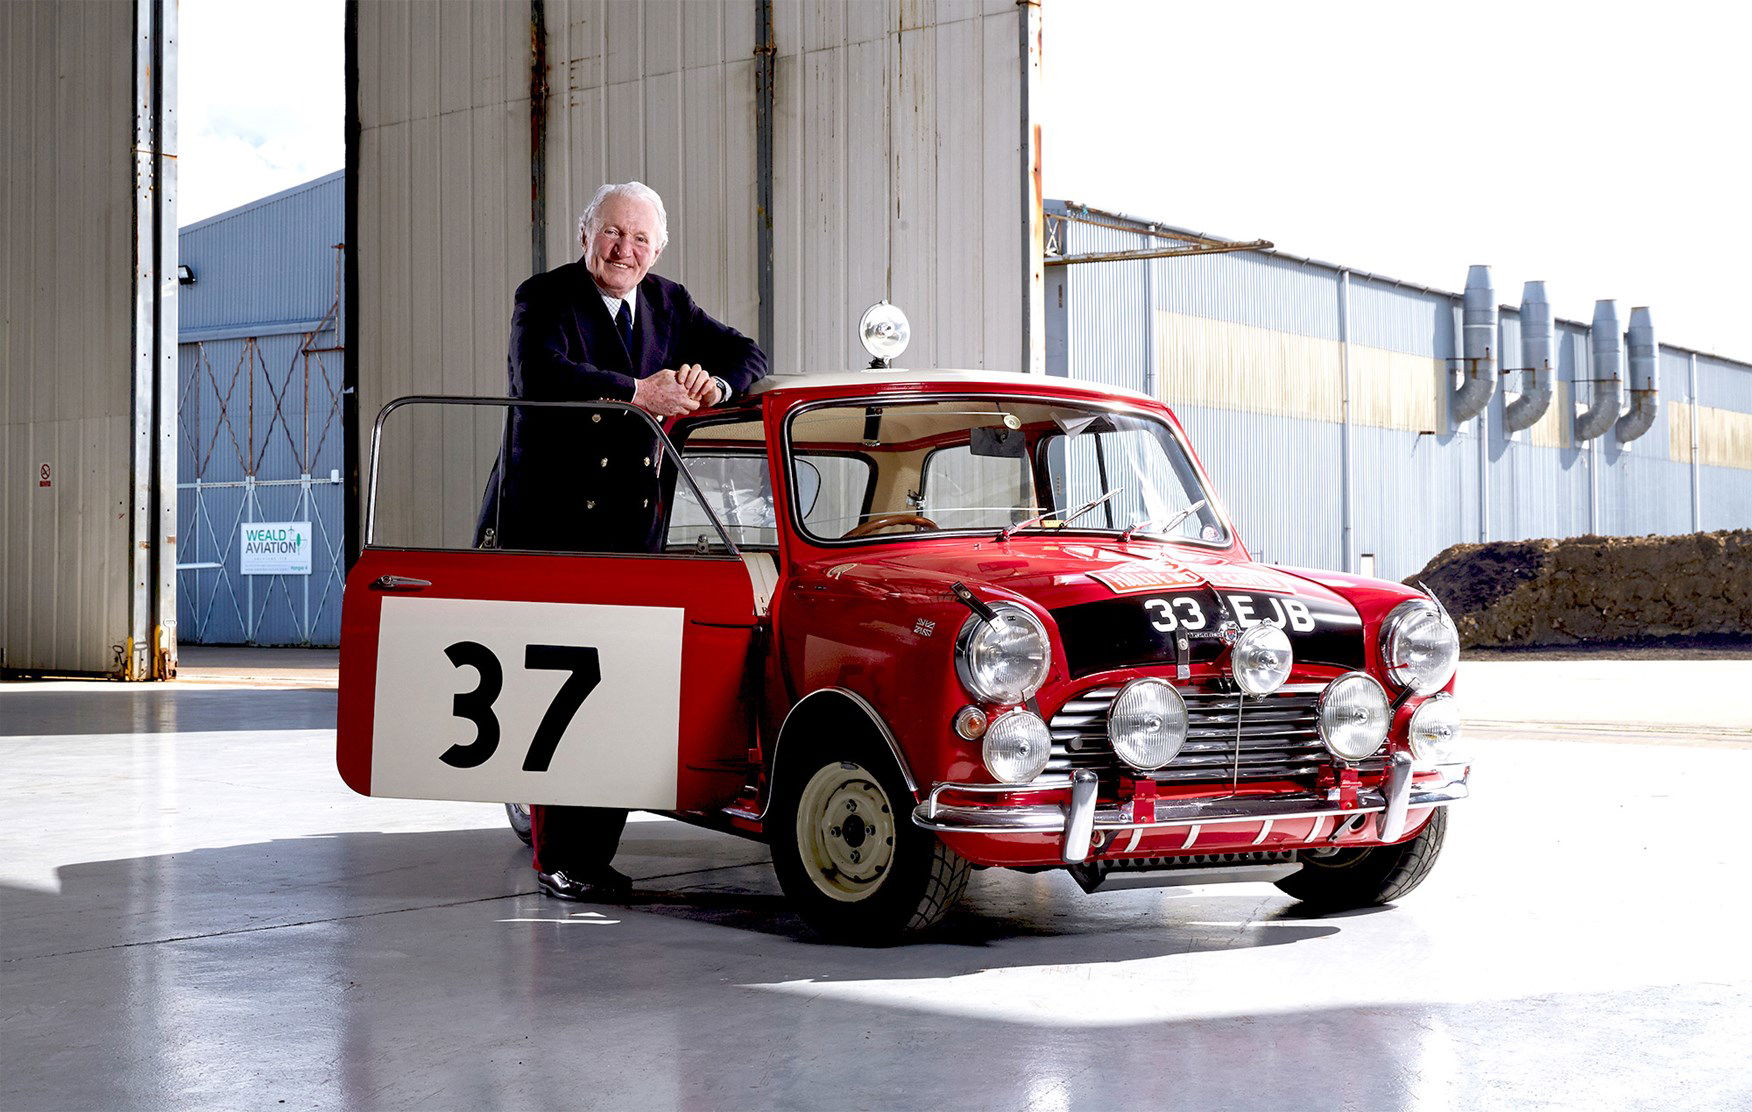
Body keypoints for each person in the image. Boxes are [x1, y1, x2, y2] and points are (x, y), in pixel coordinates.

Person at [475, 181, 768, 901]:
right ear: (585, 234)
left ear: (658, 249)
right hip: (551, 532)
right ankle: (558, 859)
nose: (624, 250)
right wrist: (640, 392)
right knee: (559, 692)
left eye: (640, 239)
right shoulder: (541, 298)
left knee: (614, 693)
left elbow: (748, 353)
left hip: (633, 536)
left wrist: (715, 384)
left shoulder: (670, 302)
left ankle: (593, 855)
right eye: (612, 233)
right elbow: (542, 375)